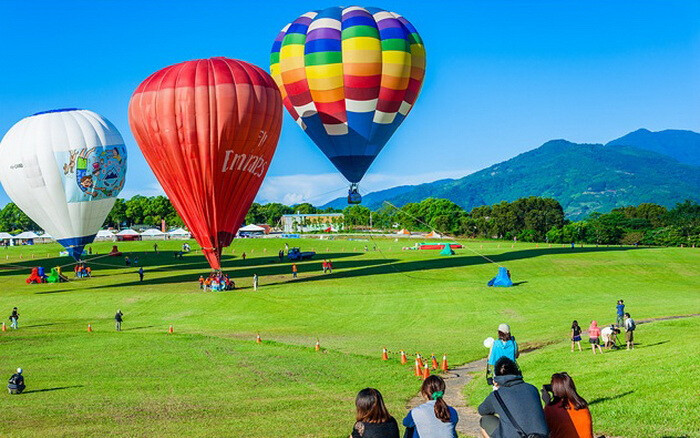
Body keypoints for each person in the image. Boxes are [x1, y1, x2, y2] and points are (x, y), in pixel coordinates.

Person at [478, 358, 548, 438]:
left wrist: (496, 391)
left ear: (496, 377)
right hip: (541, 436)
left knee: (485, 420)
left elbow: (482, 410)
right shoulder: (532, 388)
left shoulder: (496, 395)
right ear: (518, 372)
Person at [541, 372, 593, 438]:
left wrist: (547, 403)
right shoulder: (582, 406)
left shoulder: (551, 409)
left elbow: (543, 429)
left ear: (555, 389)